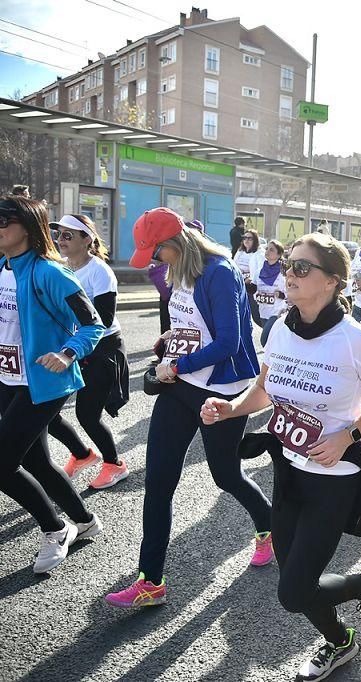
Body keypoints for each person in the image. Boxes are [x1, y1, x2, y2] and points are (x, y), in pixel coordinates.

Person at [201, 233, 361, 681]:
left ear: (333, 281)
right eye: (288, 265)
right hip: (288, 469)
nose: (289, 273)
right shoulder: (280, 329)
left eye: (301, 268)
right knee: (295, 582)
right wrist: (231, 408)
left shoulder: (355, 339)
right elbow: (266, 388)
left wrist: (348, 436)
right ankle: (340, 641)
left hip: (334, 475)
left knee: (292, 592)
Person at [106, 208, 272, 608]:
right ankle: (151, 581)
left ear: (175, 243)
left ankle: (269, 526)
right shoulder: (177, 270)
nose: (155, 261)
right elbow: (194, 327)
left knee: (226, 475)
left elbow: (229, 342)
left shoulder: (219, 271)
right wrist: (171, 340)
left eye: (156, 252)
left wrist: (176, 364)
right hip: (179, 388)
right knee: (159, 482)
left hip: (220, 391)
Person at [0, 197, 104, 573]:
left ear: (26, 227)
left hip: (43, 383)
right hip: (8, 379)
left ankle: (56, 529)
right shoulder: (3, 267)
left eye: (2, 220)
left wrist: (68, 353)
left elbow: (94, 325)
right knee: (36, 461)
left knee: (2, 463)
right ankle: (85, 520)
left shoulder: (52, 274)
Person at [50, 214, 130, 489]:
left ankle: (115, 464)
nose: (61, 240)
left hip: (102, 348)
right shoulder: (61, 267)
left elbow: (104, 319)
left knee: (87, 414)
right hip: (71, 346)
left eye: (68, 235)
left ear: (88, 239)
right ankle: (83, 455)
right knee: (46, 411)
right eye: (59, 234)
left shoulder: (99, 271)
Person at [253, 239, 288, 347]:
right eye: (267, 248)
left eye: (271, 249)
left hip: (277, 311)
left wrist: (281, 295)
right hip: (263, 310)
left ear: (279, 254)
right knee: (272, 341)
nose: (267, 251)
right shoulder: (259, 271)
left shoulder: (283, 272)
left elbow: (290, 292)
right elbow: (253, 288)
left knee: (264, 340)